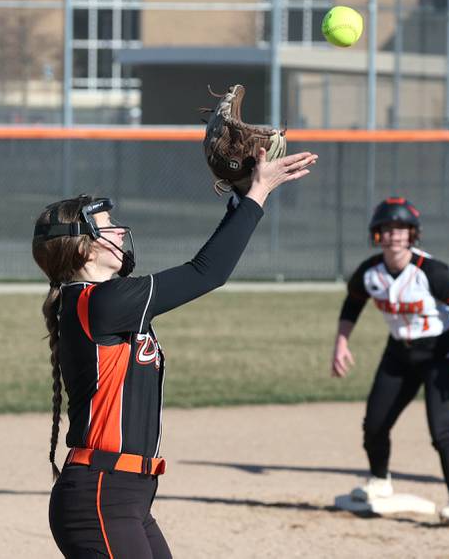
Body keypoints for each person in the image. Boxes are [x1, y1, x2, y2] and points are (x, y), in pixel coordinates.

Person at [32, 147, 317, 558]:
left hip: (125, 497)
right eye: (106, 228)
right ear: (82, 249)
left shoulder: (103, 303)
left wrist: (240, 197)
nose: (118, 232)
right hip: (100, 498)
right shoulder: (100, 303)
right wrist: (256, 196)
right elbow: (208, 272)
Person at [331, 197, 449, 526]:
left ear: (413, 234)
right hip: (399, 353)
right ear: (376, 234)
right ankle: (380, 481)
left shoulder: (432, 271)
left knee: (442, 431)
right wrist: (341, 342)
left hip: (442, 354)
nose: (394, 235)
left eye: (401, 228)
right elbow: (352, 305)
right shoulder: (370, 272)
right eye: (386, 229)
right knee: (374, 425)